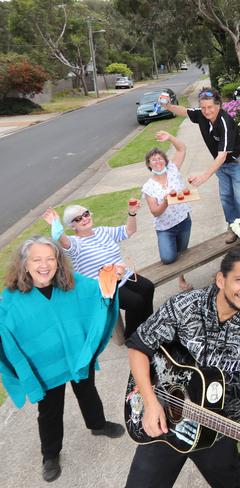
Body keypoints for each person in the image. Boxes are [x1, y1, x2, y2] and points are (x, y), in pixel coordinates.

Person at [124, 247, 240, 487]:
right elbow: (139, 345)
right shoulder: (185, 306)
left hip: (217, 430)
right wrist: (151, 402)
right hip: (164, 416)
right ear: (220, 279)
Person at [0, 236, 125, 482]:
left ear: (58, 262)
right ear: (25, 264)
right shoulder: (11, 300)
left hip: (78, 356)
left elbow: (100, 290)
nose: (44, 265)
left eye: (50, 258)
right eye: (36, 259)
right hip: (45, 368)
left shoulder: (73, 282)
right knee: (49, 410)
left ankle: (97, 424)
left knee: (87, 391)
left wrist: (113, 278)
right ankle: (50, 454)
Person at [43, 202, 155, 339]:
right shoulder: (75, 244)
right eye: (78, 219)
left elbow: (129, 231)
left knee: (148, 287)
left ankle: (150, 326)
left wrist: (132, 213)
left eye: (86, 214)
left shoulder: (103, 231)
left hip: (123, 276)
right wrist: (55, 224)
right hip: (102, 287)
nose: (84, 219)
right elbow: (61, 239)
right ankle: (132, 336)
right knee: (136, 302)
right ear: (72, 226)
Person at [162, 87, 240, 244]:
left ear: (218, 105)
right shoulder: (201, 115)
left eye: (210, 107)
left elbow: (222, 155)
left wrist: (204, 176)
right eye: (203, 107)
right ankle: (234, 228)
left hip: (236, 163)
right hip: (221, 166)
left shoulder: (225, 122)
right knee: (226, 198)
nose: (206, 111)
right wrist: (168, 106)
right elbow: (185, 111)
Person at [142, 130, 193, 291]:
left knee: (182, 252)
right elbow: (155, 212)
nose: (157, 161)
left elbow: (182, 149)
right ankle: (176, 269)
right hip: (165, 228)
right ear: (149, 165)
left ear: (165, 161)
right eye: (153, 160)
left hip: (184, 220)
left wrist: (170, 137)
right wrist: (165, 201)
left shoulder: (172, 170)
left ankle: (181, 279)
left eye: (160, 158)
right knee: (168, 257)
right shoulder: (148, 187)